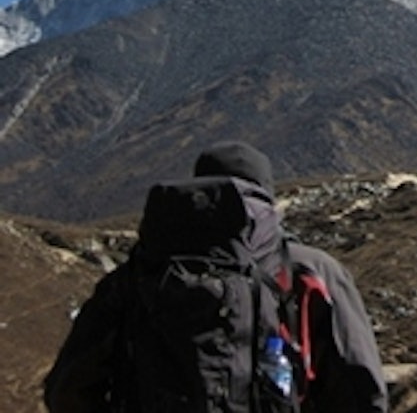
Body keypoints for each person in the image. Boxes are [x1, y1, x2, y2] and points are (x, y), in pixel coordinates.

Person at [43, 140, 389, 413]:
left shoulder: (137, 274)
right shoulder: (313, 271)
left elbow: (66, 389)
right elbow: (361, 388)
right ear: (266, 197)